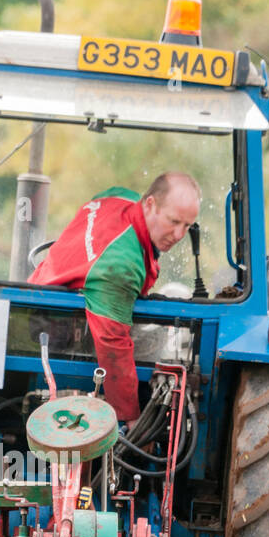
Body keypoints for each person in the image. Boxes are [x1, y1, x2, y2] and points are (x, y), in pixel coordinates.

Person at [28, 172, 201, 421]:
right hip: (54, 332)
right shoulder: (121, 267)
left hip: (45, 297)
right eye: (173, 221)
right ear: (150, 204)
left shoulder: (118, 197)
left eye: (187, 226)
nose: (178, 235)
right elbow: (112, 347)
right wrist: (130, 418)